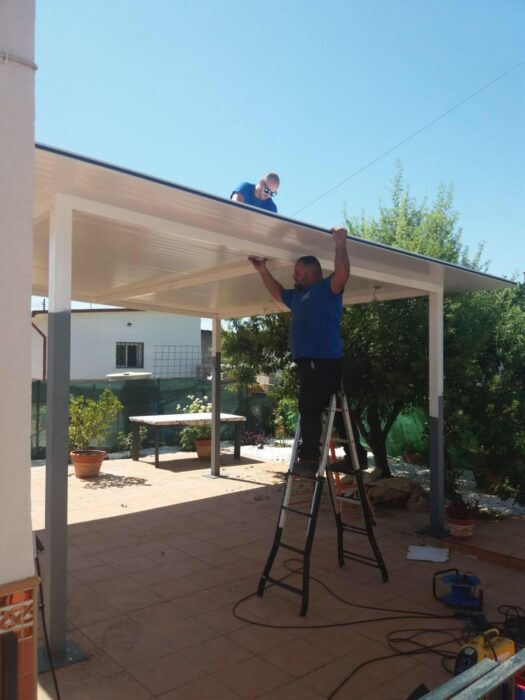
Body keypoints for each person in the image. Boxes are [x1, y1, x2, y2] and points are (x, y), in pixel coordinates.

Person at [249, 227, 350, 476]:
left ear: (312, 274)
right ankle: (353, 455)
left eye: (298, 272)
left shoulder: (327, 289)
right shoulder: (298, 296)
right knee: (335, 411)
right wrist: (263, 270)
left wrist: (340, 243)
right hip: (311, 361)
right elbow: (277, 291)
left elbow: (343, 273)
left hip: (322, 360)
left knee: (310, 407)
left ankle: (309, 459)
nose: (293, 275)